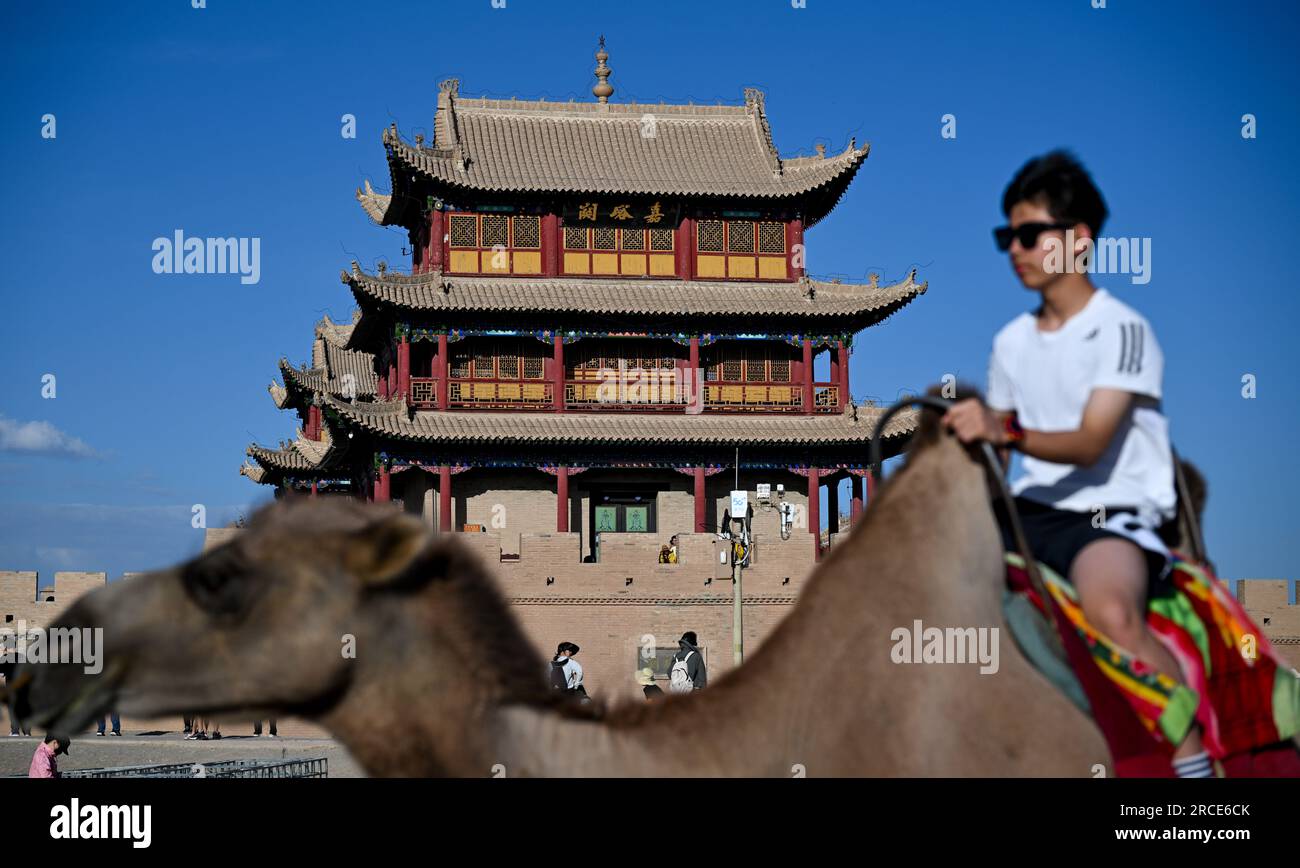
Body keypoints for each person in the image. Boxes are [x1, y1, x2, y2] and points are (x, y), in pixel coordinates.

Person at [942, 151, 1209, 778]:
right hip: (1030, 512)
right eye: (1006, 236)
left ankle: (1193, 762)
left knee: (1109, 612)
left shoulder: (1124, 330)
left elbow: (1091, 442)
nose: (1016, 248)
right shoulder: (1010, 341)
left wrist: (1001, 428)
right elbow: (1002, 459)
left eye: (1030, 234)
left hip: (1109, 513)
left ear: (1078, 238)